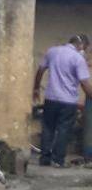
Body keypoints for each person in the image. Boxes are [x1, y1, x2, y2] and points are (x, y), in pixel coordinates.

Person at [33, 34, 91, 167]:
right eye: (86, 48)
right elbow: (84, 83)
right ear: (81, 45)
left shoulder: (52, 51)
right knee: (64, 130)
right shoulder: (78, 58)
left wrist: (36, 88)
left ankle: (45, 159)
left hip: (51, 98)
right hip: (68, 101)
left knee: (48, 128)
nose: (85, 52)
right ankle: (58, 160)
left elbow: (40, 70)